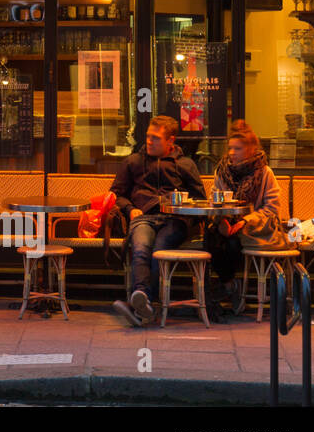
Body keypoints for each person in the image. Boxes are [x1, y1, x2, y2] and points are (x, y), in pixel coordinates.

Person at [110, 115, 205, 327]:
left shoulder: (185, 164)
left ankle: (140, 303)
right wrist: (130, 209)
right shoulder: (133, 161)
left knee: (158, 250)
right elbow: (116, 194)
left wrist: (183, 207)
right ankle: (143, 300)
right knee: (142, 248)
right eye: (148, 137)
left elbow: (200, 199)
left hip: (175, 220)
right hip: (143, 217)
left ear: (171, 141)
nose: (149, 142)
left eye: (156, 138)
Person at [206, 120, 288, 314]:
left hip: (253, 228)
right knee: (210, 240)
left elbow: (272, 207)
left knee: (234, 243)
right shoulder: (222, 171)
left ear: (251, 149)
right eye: (230, 148)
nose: (232, 153)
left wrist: (245, 221)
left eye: (238, 148)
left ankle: (231, 289)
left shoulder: (265, 173)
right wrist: (221, 220)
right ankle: (230, 285)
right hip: (226, 224)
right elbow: (213, 199)